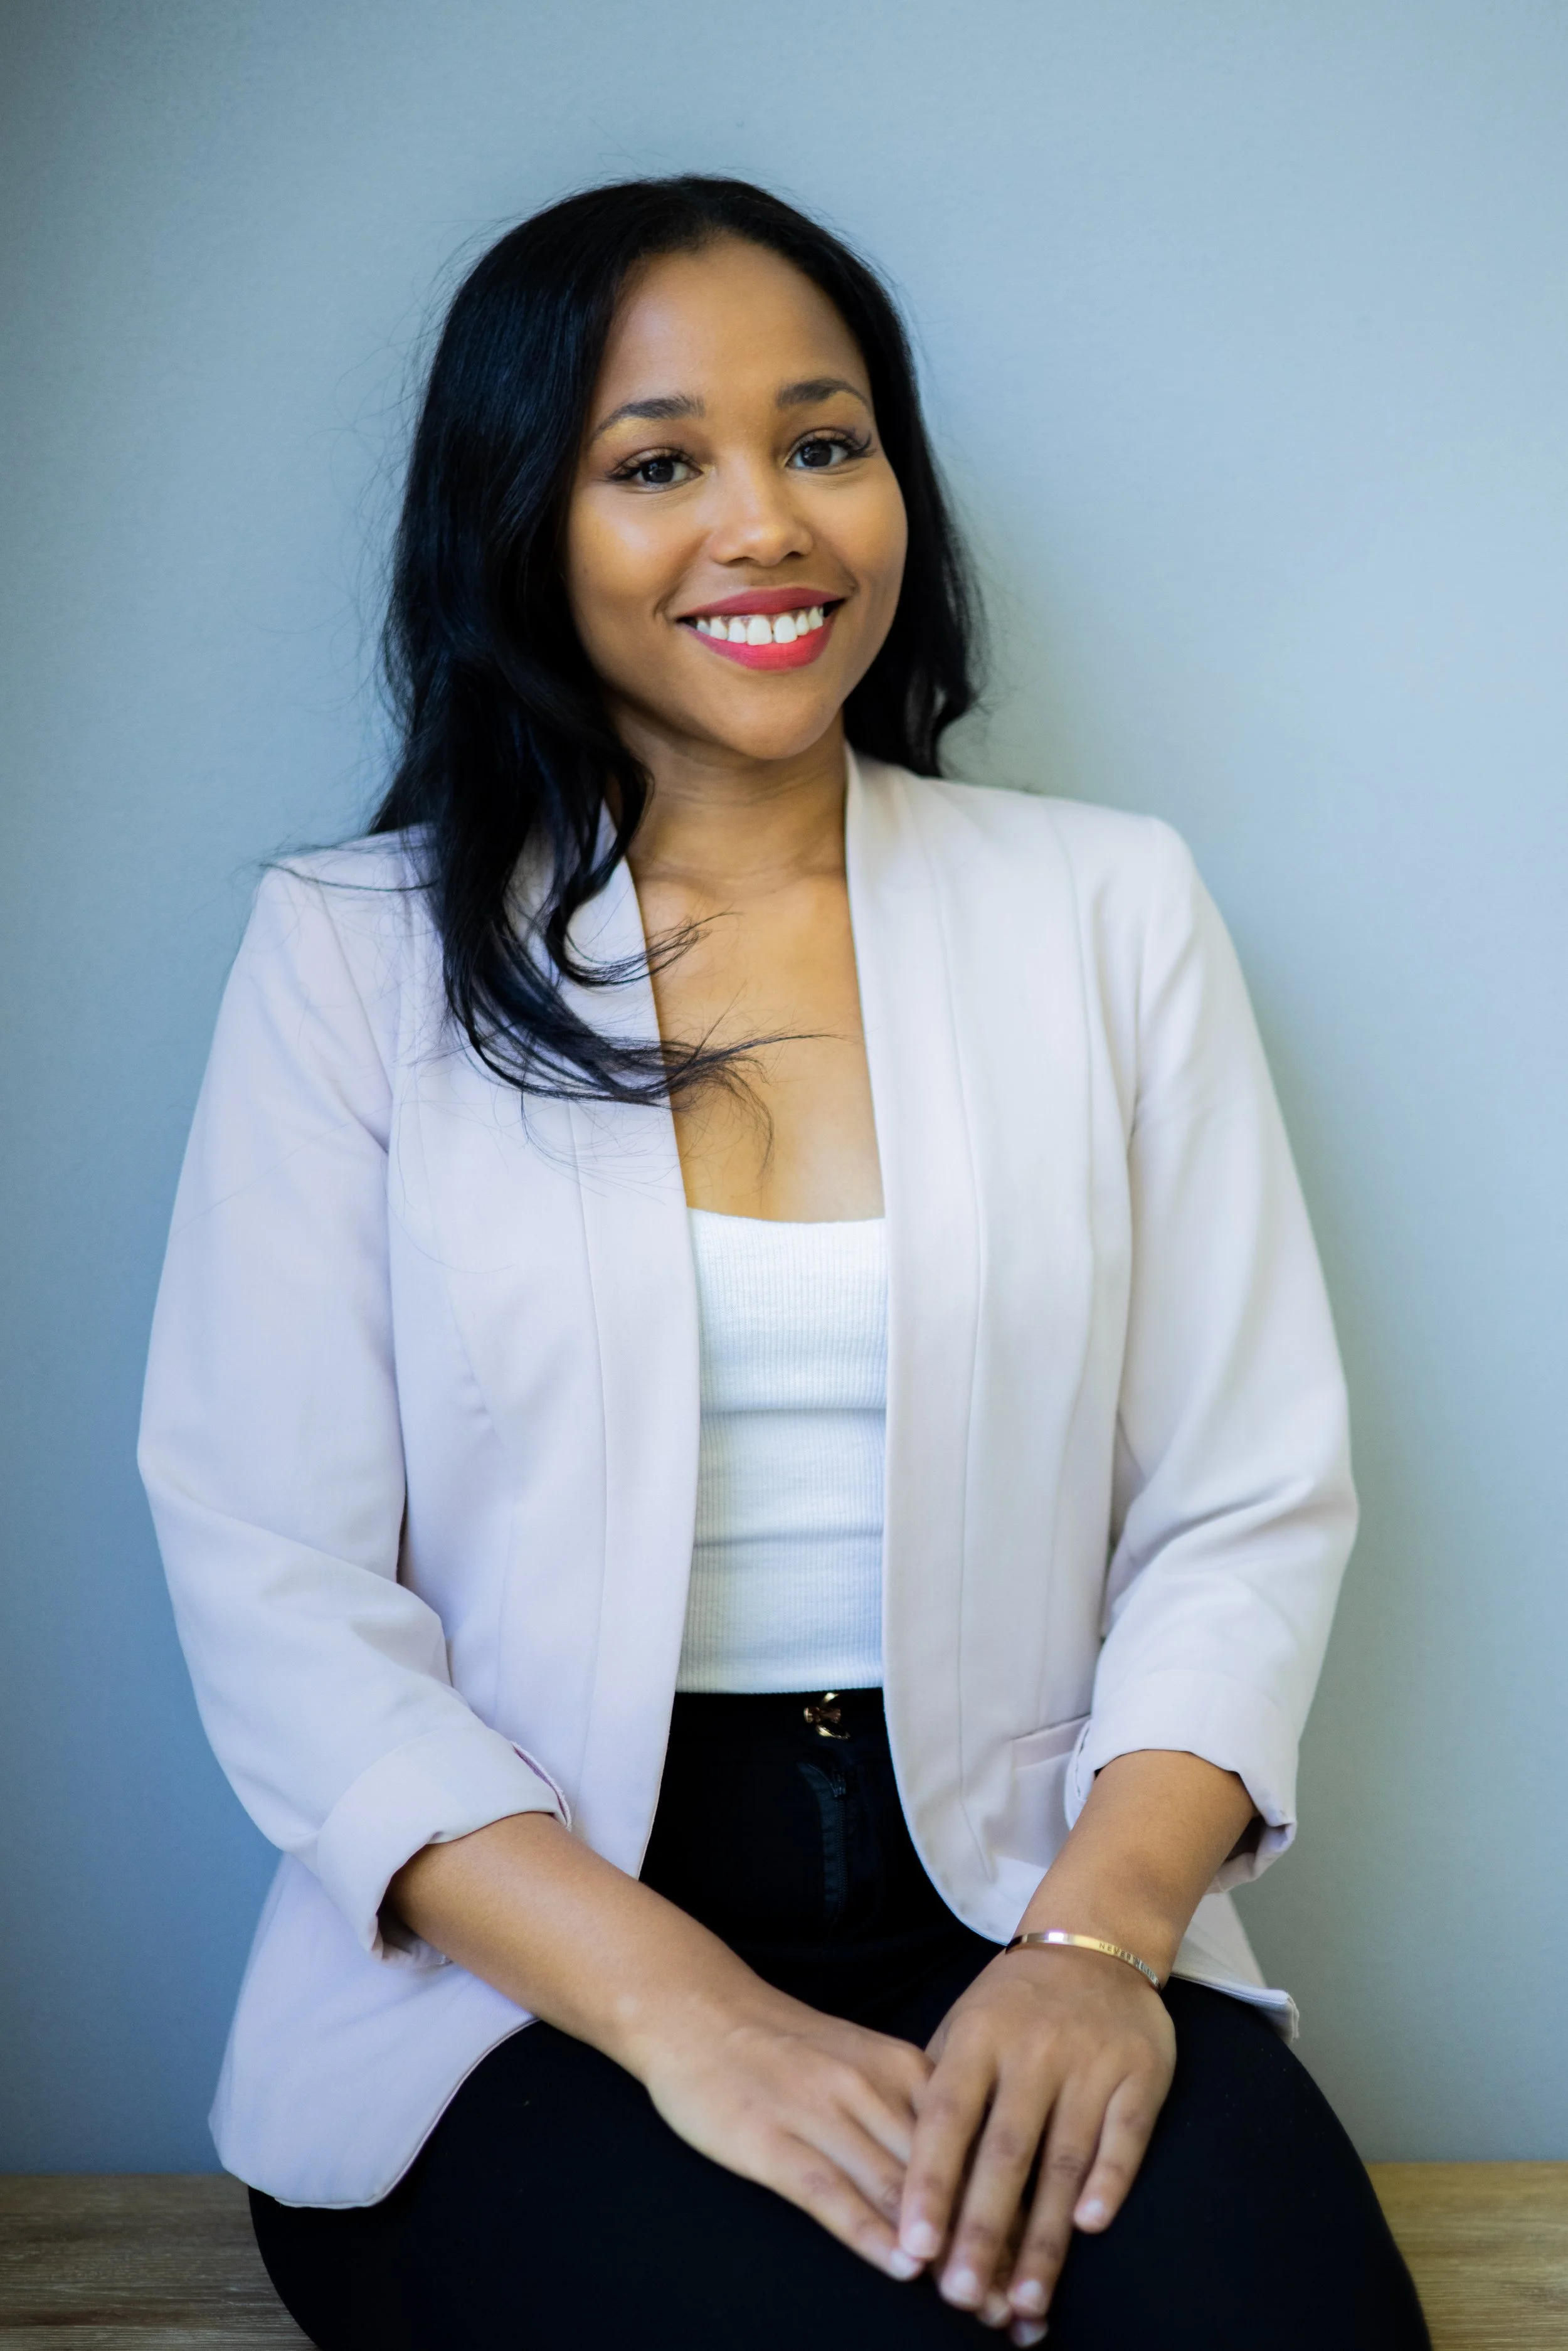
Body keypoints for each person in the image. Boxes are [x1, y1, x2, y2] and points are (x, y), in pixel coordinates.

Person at [139, 176, 1429, 2350]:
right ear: (520, 521)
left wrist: (1096, 1950)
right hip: (528, 1964)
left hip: (1032, 1895)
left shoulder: (1105, 908)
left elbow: (1242, 1500)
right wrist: (689, 2020)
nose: (769, 522)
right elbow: (277, 1583)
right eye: (657, 464)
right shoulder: (347, 955)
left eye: (823, 443)